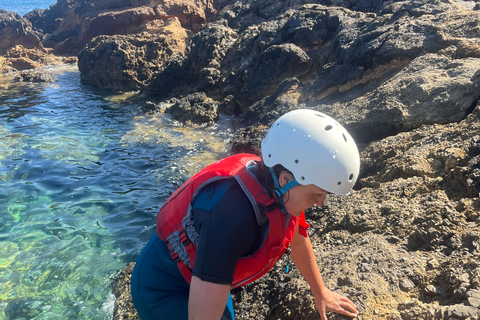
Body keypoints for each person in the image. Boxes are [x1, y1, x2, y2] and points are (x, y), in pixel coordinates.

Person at [131, 109, 361, 320]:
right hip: (162, 288)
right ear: (286, 179)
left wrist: (321, 292)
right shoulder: (233, 218)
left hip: (202, 272)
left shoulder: (280, 192)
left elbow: (298, 240)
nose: (320, 203)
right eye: (317, 194)